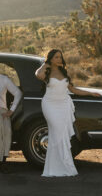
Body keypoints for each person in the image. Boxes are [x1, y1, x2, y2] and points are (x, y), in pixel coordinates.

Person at [34, 49, 80, 178]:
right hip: (50, 105)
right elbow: (38, 74)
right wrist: (45, 64)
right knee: (56, 132)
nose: (59, 59)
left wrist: (91, 93)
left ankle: (63, 167)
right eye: (56, 57)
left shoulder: (64, 72)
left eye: (60, 57)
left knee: (61, 136)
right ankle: (53, 168)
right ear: (50, 59)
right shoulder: (46, 71)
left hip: (64, 105)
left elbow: (73, 89)